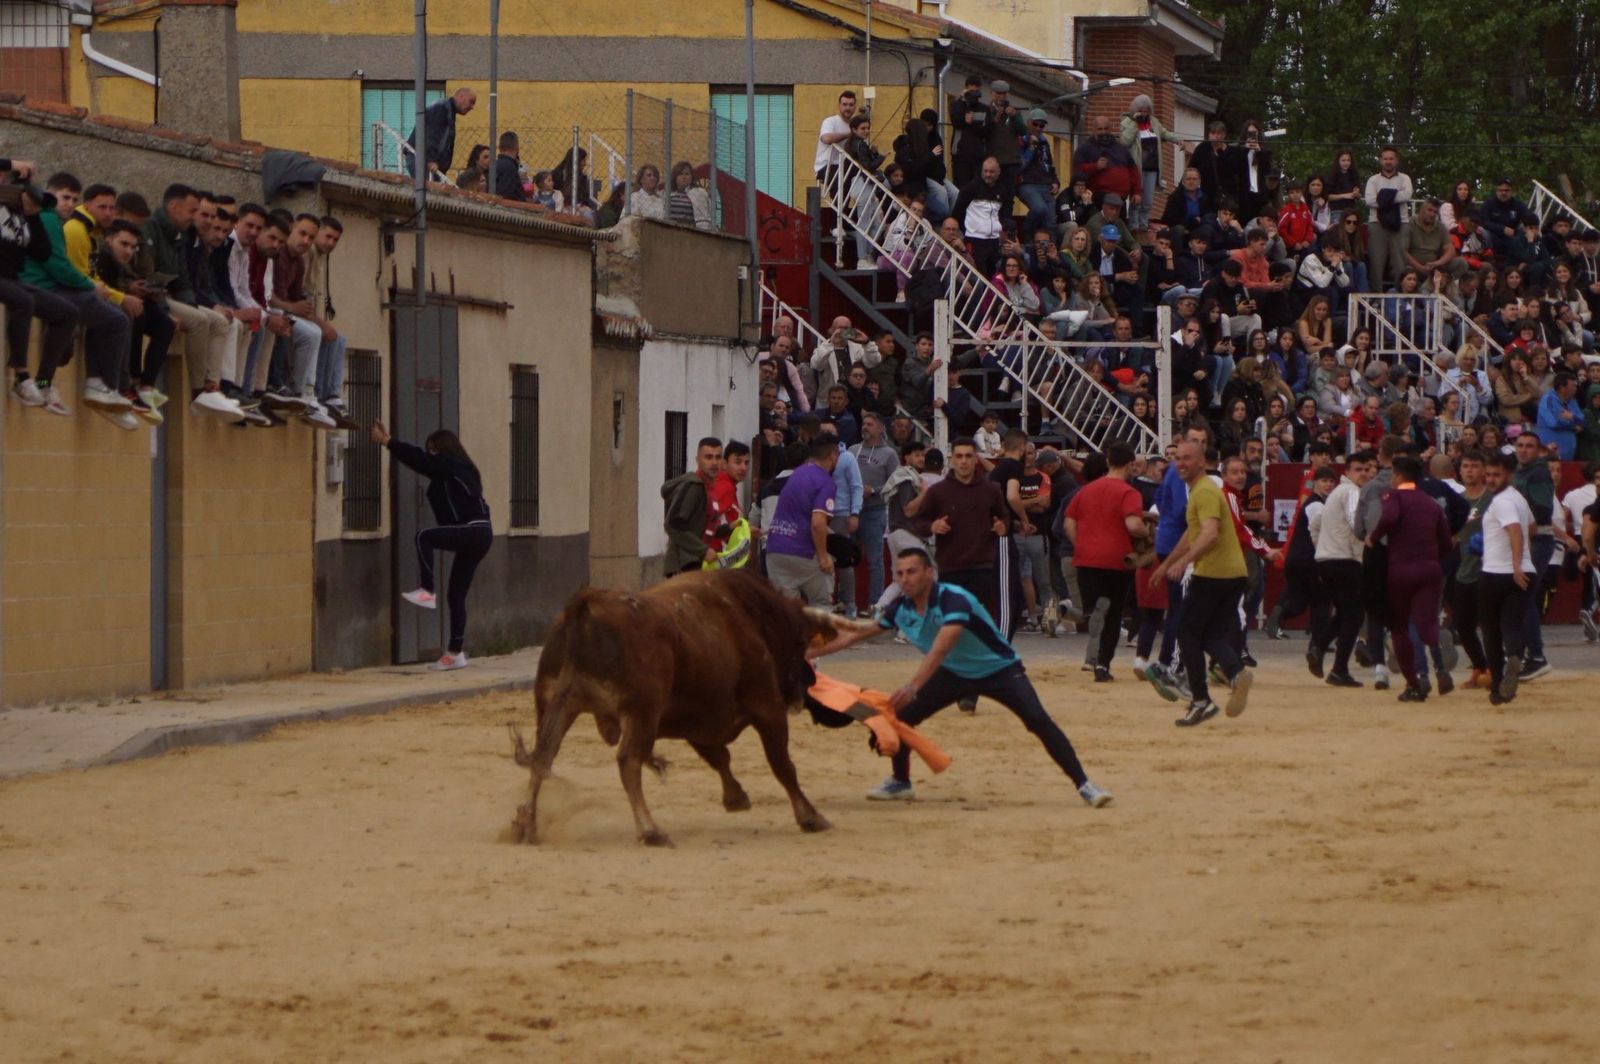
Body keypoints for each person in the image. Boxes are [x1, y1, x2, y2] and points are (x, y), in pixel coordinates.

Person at [809, 547, 1113, 808]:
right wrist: (806, 655)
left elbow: (942, 648)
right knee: (899, 716)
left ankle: (1085, 784)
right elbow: (858, 635)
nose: (904, 579)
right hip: (954, 673)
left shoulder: (955, 600)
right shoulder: (900, 607)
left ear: (929, 573)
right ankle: (901, 782)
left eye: (911, 572)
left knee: (1038, 720)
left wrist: (914, 686)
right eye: (899, 573)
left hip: (999, 670)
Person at [372, 419, 492, 671]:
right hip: (480, 533)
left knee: (423, 536)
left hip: (473, 530)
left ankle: (427, 590)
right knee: (456, 594)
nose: (430, 455)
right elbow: (428, 470)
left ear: (443, 450)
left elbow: (421, 461)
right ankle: (455, 653)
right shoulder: (460, 471)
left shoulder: (452, 465)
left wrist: (388, 442)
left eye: (433, 450)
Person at [1149, 439, 1254, 726]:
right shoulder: (1202, 490)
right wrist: (1169, 563)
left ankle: (1201, 700)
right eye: (1177, 459)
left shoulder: (1204, 490)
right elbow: (1193, 532)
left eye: (1186, 458)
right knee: (1212, 636)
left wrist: (1184, 562)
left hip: (1213, 574)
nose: (1180, 463)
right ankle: (1235, 672)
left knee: (1187, 633)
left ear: (1201, 461)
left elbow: (1209, 534)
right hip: (1234, 574)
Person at [1370, 455, 1454, 701]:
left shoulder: (1393, 496)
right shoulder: (1430, 503)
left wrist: (1374, 538)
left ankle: (1413, 684)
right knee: (1426, 621)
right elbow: (1447, 543)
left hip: (1401, 569)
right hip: (1430, 568)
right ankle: (1435, 640)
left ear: (1397, 475)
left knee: (1400, 627)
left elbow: (1389, 517)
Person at [1064, 440, 1146, 681]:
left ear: (1108, 461)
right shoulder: (1129, 492)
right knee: (1113, 616)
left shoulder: (1086, 489)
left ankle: (1074, 608)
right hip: (1116, 559)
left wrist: (1082, 544)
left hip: (1087, 557)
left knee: (1093, 607)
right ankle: (1102, 667)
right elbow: (1133, 524)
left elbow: (1069, 524)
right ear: (1131, 465)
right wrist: (1147, 532)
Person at [1311, 449, 1377, 685]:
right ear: (1347, 472)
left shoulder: (1336, 493)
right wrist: (1373, 539)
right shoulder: (1351, 492)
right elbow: (1355, 523)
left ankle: (1318, 647)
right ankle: (1339, 669)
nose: (1363, 474)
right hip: (1345, 561)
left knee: (1344, 613)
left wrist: (1321, 548)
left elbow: (1315, 524)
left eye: (1366, 469)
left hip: (1327, 559)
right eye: (1358, 470)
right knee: (1354, 615)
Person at [1478, 453, 1535, 704]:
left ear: (1508, 475)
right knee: (1512, 623)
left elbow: (1514, 530)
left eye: (1496, 475)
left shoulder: (1501, 502)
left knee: (1491, 629)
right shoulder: (1518, 498)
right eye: (1488, 474)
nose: (1490, 479)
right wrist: (1522, 562)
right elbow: (1530, 527)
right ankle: (1514, 655)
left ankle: (1498, 684)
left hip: (1497, 571)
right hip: (1525, 571)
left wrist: (1514, 564)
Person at [766, 433, 841, 606]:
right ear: (832, 455)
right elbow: (817, 523)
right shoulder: (826, 482)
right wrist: (823, 557)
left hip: (775, 548)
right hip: (803, 551)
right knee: (821, 605)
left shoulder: (798, 473)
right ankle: (818, 634)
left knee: (786, 613)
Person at [1510, 431, 1556, 682]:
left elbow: (1542, 510)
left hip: (1536, 540)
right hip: (1530, 541)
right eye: (1520, 445)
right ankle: (1525, 653)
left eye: (1529, 446)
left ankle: (1536, 656)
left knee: (1523, 597)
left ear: (1538, 451)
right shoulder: (1523, 472)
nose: (1524, 450)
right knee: (1521, 597)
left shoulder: (1537, 473)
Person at [1119, 94, 1192, 232]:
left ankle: (1143, 224)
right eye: (1141, 111)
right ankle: (1133, 226)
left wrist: (1178, 140)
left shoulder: (1154, 122)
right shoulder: (1127, 122)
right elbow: (1124, 141)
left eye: (1147, 111)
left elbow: (1165, 134)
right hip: (1137, 168)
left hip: (1152, 167)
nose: (1144, 114)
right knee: (1136, 199)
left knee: (1147, 201)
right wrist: (1135, 124)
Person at [850, 411, 899, 613]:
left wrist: (875, 491)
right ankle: (848, 602)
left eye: (870, 424)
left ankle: (875, 604)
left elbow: (896, 484)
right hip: (852, 511)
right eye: (864, 424)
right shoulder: (852, 450)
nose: (865, 427)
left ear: (880, 428)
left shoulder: (889, 454)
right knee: (847, 558)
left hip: (874, 511)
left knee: (875, 560)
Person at [661, 437, 725, 576]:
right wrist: (703, 550)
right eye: (708, 457)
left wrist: (730, 528)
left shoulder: (708, 488)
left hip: (695, 564)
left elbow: (701, 528)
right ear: (698, 460)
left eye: (718, 457)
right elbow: (672, 524)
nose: (714, 463)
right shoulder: (694, 486)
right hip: (683, 566)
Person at [1363, 146, 1412, 290]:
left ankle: (1400, 298)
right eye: (1385, 159)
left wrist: (1383, 196)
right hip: (1377, 224)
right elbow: (1369, 200)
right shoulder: (1373, 180)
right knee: (1376, 264)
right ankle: (1376, 299)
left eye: (1391, 159)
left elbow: (1407, 195)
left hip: (1401, 224)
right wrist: (1395, 195)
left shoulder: (1405, 178)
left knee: (1400, 263)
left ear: (1396, 161)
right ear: (1380, 161)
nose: (1388, 161)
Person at [407, 87, 476, 179]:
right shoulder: (442, 109)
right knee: (428, 190)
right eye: (471, 102)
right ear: (461, 96)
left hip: (425, 160)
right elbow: (432, 135)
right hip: (424, 161)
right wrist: (431, 159)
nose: (472, 107)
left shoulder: (446, 110)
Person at [814, 90, 857, 184]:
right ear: (839, 106)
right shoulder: (830, 121)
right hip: (826, 167)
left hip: (844, 167)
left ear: (855, 107)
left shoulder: (854, 126)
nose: (848, 108)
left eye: (851, 105)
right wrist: (850, 134)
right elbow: (826, 138)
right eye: (844, 104)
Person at [490, 131, 528, 201]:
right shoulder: (509, 168)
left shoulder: (494, 165)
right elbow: (507, 196)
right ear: (517, 147)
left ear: (499, 147)